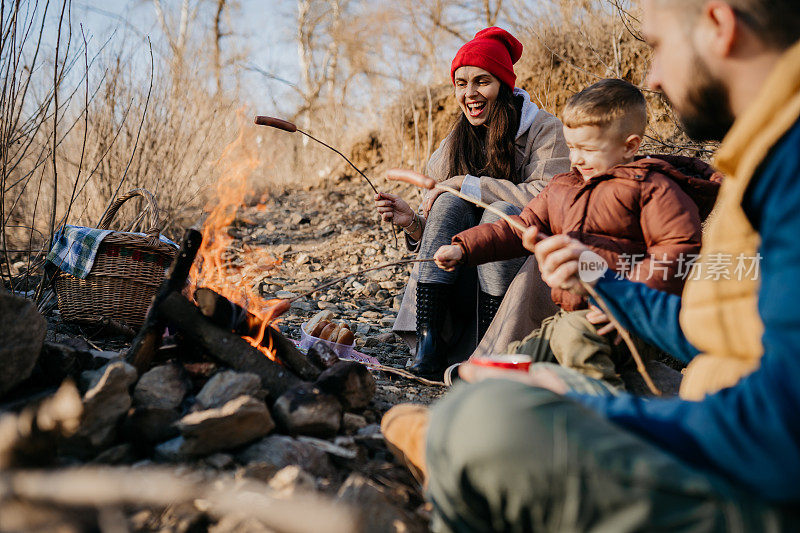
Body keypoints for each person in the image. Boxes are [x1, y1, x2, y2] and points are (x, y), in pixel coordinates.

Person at [382, 0, 800, 530]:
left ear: (719, 26)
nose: (651, 79)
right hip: (718, 422)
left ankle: (463, 449)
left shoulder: (781, 169)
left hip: (746, 475)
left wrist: (603, 413)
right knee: (513, 385)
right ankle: (467, 436)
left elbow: (778, 433)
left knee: (483, 422)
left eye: (656, 46)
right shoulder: (761, 160)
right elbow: (718, 331)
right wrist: (606, 283)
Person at [433, 79, 720, 388]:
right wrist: (464, 248)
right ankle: (485, 382)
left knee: (575, 341)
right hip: (571, 312)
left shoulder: (653, 188)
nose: (576, 159)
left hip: (629, 321)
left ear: (630, 146)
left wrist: (628, 303)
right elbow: (518, 228)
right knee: (526, 350)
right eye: (571, 147)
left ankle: (604, 409)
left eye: (588, 149)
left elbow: (677, 251)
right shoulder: (565, 187)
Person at [375, 27, 570, 379]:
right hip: (459, 286)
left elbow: (550, 197)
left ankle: (490, 347)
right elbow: (435, 233)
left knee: (509, 215)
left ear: (504, 85)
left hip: (515, 285)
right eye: (461, 83)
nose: (470, 94)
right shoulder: (452, 144)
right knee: (449, 204)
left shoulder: (545, 130)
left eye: (482, 81)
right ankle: (429, 343)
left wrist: (468, 184)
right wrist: (412, 223)